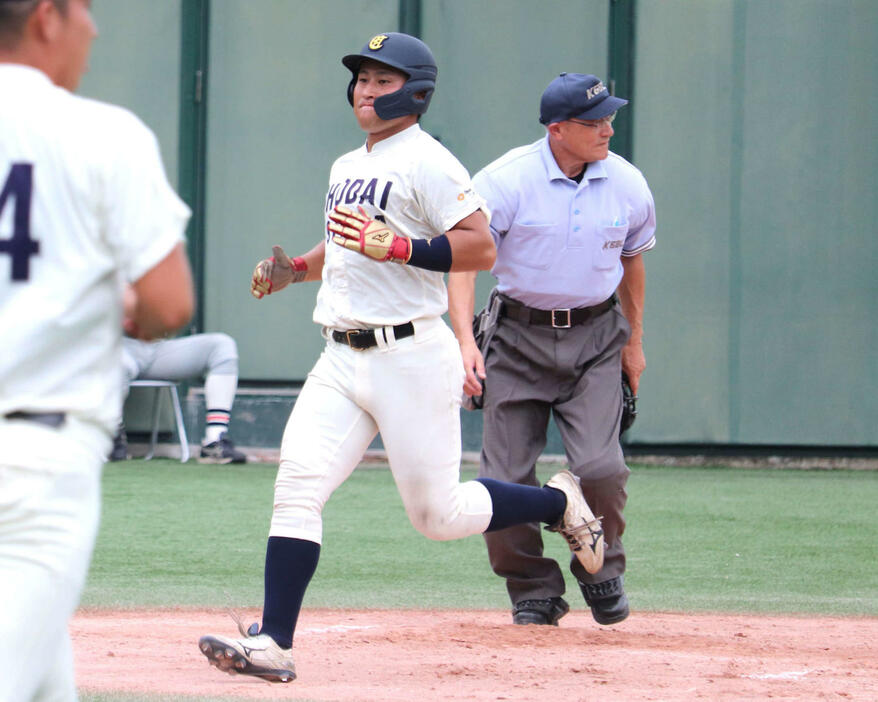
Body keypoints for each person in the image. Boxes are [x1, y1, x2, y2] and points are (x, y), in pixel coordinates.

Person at [198, 33, 605, 683]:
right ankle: (274, 643)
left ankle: (557, 506)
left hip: (410, 354)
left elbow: (479, 249)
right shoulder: (345, 165)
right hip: (339, 355)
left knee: (438, 517)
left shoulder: (430, 162)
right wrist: (294, 269)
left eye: (382, 79)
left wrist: (404, 249)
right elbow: (349, 244)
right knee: (297, 486)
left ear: (414, 91)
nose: (365, 87)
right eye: (361, 77)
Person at [0, 0, 195, 700]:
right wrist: (123, 309)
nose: (95, 26)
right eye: (84, 8)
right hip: (35, 459)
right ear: (46, 16)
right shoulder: (101, 132)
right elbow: (169, 303)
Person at [448, 72, 656, 627]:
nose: (607, 129)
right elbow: (464, 258)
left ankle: (601, 570)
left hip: (595, 337)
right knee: (506, 479)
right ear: (557, 129)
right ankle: (532, 589)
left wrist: (634, 343)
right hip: (516, 337)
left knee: (601, 467)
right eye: (594, 122)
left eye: (610, 117)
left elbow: (633, 261)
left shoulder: (628, 182)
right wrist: (464, 340)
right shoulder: (506, 180)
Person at [110, 333, 247, 464]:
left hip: (154, 348)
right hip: (113, 346)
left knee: (221, 345)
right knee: (111, 361)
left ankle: (214, 442)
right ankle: (110, 434)